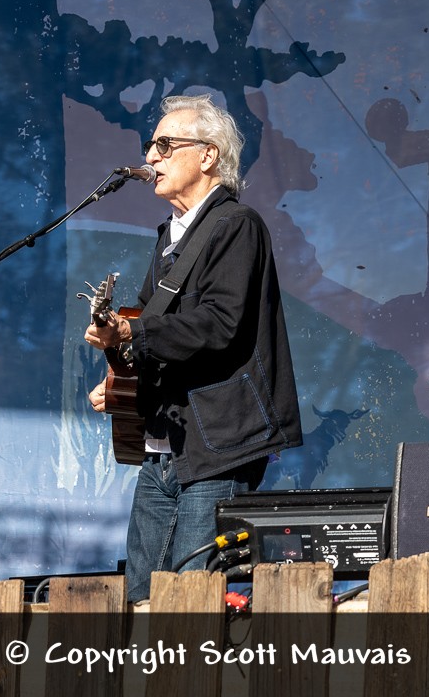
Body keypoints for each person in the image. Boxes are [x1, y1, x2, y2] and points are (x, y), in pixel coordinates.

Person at [85, 94, 302, 601]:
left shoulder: (237, 225)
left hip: (219, 446)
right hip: (163, 448)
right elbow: (151, 325)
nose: (150, 156)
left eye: (165, 145)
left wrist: (131, 333)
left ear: (207, 155)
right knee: (141, 597)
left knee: (192, 601)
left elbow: (220, 324)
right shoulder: (170, 235)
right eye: (150, 145)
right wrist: (117, 369)